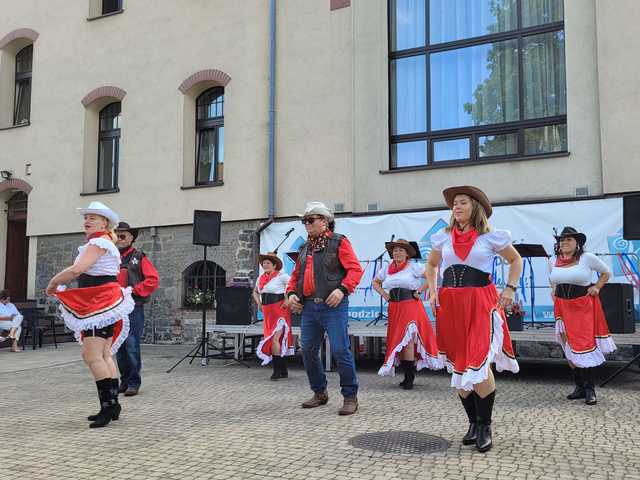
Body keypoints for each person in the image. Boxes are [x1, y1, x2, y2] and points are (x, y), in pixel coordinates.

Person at [426, 186, 521, 452]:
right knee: (459, 365)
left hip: (481, 304)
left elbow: (516, 260)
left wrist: (510, 289)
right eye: (454, 204)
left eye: (462, 202)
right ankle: (473, 423)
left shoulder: (490, 238)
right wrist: (433, 290)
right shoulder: (442, 238)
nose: (456, 207)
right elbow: (432, 266)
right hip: (451, 306)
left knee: (478, 363)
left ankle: (485, 426)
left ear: (475, 206)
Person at [46, 201, 134, 428]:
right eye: (86, 217)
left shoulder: (97, 242)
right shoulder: (105, 242)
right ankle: (112, 404)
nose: (87, 221)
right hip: (104, 299)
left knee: (92, 355)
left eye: (93, 217)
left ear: (105, 222)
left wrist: (54, 283)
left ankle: (108, 406)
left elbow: (77, 270)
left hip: (97, 301)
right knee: (104, 354)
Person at [287, 202, 364, 415]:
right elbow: (295, 278)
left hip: (334, 306)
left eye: (310, 220)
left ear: (324, 221)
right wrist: (292, 294)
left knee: (340, 349)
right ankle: (320, 392)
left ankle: (350, 396)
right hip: (309, 307)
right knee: (308, 350)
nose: (307, 224)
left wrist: (342, 289)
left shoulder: (339, 242)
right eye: (304, 221)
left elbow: (355, 270)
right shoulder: (304, 248)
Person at [548, 226, 615, 405]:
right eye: (562, 240)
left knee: (583, 345)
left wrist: (597, 287)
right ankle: (579, 386)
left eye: (569, 239)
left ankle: (590, 389)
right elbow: (552, 279)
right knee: (568, 346)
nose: (564, 242)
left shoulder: (587, 258)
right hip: (562, 307)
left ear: (578, 243)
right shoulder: (553, 260)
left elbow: (607, 272)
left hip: (582, 307)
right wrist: (553, 290)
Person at [372, 239, 442, 389]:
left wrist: (420, 291)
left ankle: (409, 378)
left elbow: (433, 272)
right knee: (400, 342)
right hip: (394, 308)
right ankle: (406, 377)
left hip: (410, 305)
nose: (397, 252)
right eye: (395, 250)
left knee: (408, 340)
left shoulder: (413, 267)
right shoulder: (387, 269)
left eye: (400, 250)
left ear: (407, 254)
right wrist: (385, 295)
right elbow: (375, 282)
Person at [114, 222, 160, 397]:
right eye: (117, 235)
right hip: (115, 308)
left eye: (123, 235)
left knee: (131, 345)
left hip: (133, 307)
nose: (120, 238)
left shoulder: (139, 257)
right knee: (119, 346)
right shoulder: (111, 257)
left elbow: (152, 280)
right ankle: (124, 381)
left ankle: (134, 382)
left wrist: (133, 290)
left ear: (131, 237)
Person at [253, 252, 294, 380]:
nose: (265, 265)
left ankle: (276, 371)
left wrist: (288, 300)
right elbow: (255, 292)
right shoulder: (260, 278)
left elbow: (293, 286)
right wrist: (258, 302)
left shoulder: (282, 276)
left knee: (276, 339)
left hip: (279, 311)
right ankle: (283, 369)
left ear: (274, 265)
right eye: (263, 263)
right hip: (267, 312)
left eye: (268, 263)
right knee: (272, 339)